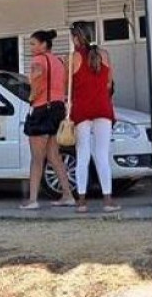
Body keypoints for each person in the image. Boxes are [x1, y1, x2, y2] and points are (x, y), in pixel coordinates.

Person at [69, 22, 121, 213]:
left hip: (82, 109)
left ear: (76, 37)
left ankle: (81, 201)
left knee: (82, 154)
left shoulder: (74, 57)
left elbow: (69, 86)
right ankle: (108, 200)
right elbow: (109, 84)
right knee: (102, 154)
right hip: (103, 107)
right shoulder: (105, 55)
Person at [20, 29, 74, 210]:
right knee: (53, 155)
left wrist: (32, 97)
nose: (31, 47)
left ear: (44, 44)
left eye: (33, 43)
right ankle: (67, 194)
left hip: (42, 108)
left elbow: (35, 84)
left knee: (37, 158)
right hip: (58, 108)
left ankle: (33, 199)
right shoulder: (58, 62)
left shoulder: (37, 61)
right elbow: (65, 85)